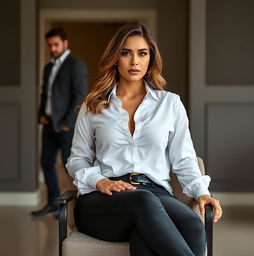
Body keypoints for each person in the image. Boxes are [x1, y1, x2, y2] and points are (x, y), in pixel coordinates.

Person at [66, 23, 222, 255]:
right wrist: (100, 181)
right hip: (104, 200)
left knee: (189, 225)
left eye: (142, 53)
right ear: (115, 57)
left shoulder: (170, 103)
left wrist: (202, 192)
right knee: (143, 203)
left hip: (154, 193)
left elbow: (184, 158)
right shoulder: (94, 104)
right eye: (126, 53)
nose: (134, 61)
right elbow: (77, 159)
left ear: (151, 59)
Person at [31, 28, 88, 217]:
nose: (53, 48)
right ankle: (53, 203)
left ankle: (78, 207)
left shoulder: (76, 65)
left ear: (65, 43)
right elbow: (45, 93)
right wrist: (41, 113)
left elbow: (80, 95)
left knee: (69, 166)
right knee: (46, 162)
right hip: (48, 124)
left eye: (56, 44)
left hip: (65, 126)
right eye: (50, 45)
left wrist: (68, 122)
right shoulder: (48, 67)